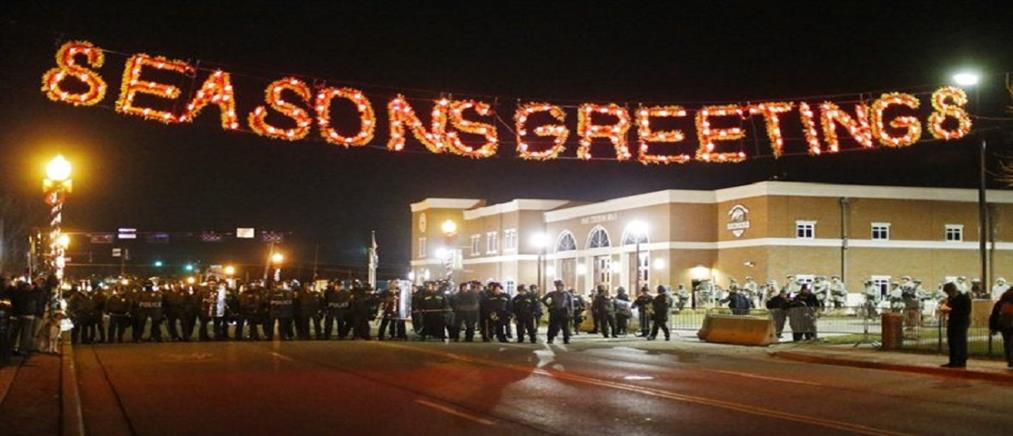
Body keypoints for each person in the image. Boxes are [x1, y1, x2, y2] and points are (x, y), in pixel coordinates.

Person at [939, 282, 970, 368]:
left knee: (960, 341)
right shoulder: (950, 299)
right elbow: (948, 306)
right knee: (952, 341)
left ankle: (961, 361)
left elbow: (966, 311)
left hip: (961, 322)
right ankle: (953, 360)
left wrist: (950, 310)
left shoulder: (964, 298)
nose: (948, 294)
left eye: (948, 292)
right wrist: (944, 307)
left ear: (953, 290)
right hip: (952, 321)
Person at [988, 286, 1013, 368]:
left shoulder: (1001, 302)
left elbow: (994, 315)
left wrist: (993, 328)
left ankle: (1010, 360)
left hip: (1005, 325)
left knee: (1007, 342)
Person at [542, 280, 573, 344]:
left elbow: (571, 304)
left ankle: (566, 339)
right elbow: (543, 299)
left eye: (560, 286)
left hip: (564, 311)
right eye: (557, 286)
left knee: (565, 327)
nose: (559, 287)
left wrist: (571, 313)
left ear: (562, 286)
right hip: (554, 311)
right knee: (552, 326)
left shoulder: (567, 294)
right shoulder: (552, 293)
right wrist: (549, 306)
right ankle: (550, 339)